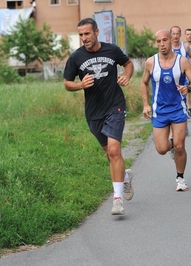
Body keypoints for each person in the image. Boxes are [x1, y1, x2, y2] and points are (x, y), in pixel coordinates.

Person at [63, 18, 134, 215]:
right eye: (81, 35)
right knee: (109, 155)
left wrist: (127, 76)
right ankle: (125, 177)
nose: (84, 38)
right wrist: (80, 85)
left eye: (87, 34)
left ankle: (117, 199)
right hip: (94, 112)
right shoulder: (76, 57)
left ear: (96, 32)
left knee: (114, 151)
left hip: (115, 106)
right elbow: (67, 83)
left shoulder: (111, 50)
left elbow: (128, 64)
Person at [140, 29, 191, 192]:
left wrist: (187, 88)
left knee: (180, 146)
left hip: (178, 109)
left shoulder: (182, 62)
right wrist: (145, 104)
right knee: (161, 149)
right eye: (158, 41)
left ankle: (180, 178)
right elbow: (143, 83)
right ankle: (172, 145)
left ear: (171, 40)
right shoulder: (151, 62)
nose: (161, 44)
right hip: (159, 111)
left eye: (164, 40)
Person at [170, 26, 191, 119]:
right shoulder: (168, 46)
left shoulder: (185, 46)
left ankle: (186, 110)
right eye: (173, 34)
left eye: (177, 34)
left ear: (180, 35)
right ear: (170, 34)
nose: (175, 36)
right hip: (172, 75)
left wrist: (190, 67)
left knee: (185, 91)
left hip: (183, 75)